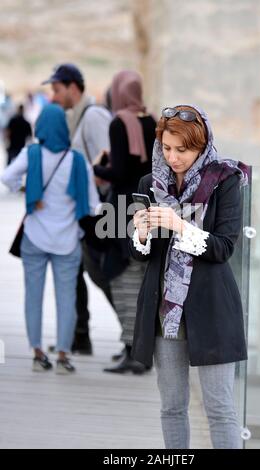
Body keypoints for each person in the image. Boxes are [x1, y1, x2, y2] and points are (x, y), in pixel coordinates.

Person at [130, 105, 250, 448]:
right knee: (171, 407)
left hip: (211, 309)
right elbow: (142, 256)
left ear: (201, 144)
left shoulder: (226, 180)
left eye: (182, 150)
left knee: (220, 409)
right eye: (167, 148)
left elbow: (224, 247)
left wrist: (179, 225)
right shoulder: (149, 184)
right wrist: (139, 234)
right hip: (164, 313)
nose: (173, 157)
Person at [1, 104, 99, 374]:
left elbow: (7, 177)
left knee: (33, 296)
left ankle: (37, 353)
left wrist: (28, 189)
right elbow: (92, 206)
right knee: (66, 299)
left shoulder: (31, 154)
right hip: (67, 241)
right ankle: (64, 356)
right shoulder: (77, 160)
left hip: (34, 237)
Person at [42, 63, 112, 355]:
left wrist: (86, 178)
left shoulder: (93, 116)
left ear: (73, 87)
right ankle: (79, 335)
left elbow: (109, 159)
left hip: (97, 211)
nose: (54, 97)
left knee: (102, 273)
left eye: (57, 90)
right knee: (77, 271)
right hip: (84, 211)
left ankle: (136, 337)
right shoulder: (78, 117)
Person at [93, 70, 156, 374]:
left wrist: (99, 167)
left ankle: (132, 349)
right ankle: (136, 348)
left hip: (120, 210)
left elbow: (119, 173)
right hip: (145, 206)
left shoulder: (120, 123)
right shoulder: (153, 121)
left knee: (121, 277)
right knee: (141, 279)